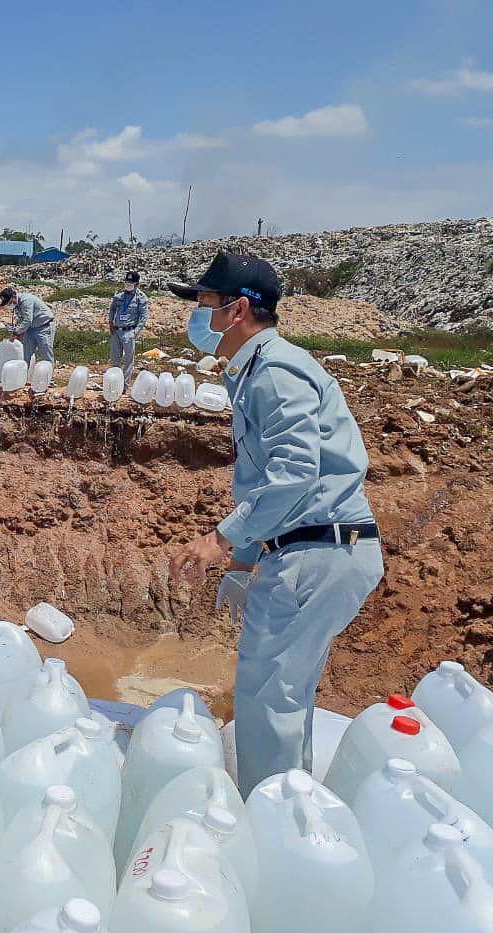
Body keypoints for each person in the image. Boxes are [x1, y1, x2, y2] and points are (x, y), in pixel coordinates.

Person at [165, 250, 383, 797]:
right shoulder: (255, 371)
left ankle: (271, 818)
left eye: (205, 303)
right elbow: (273, 481)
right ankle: (289, 803)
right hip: (315, 549)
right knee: (284, 693)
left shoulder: (276, 372)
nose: (197, 315)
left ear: (238, 310)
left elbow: (293, 475)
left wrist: (220, 540)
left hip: (318, 550)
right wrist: (245, 561)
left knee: (268, 696)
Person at [107, 269, 148, 381]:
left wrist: (136, 331)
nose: (127, 285)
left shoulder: (141, 298)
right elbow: (112, 309)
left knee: (128, 360)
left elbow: (143, 317)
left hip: (129, 331)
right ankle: (114, 382)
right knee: (115, 359)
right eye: (126, 282)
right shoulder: (119, 295)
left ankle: (125, 384)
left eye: (130, 283)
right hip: (117, 331)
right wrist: (110, 322)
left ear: (137, 284)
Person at [0, 286, 56, 364]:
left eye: (9, 302)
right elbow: (21, 320)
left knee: (45, 352)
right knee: (25, 352)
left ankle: (49, 370)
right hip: (31, 328)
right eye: (7, 304)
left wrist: (17, 332)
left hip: (44, 326)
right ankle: (25, 370)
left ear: (14, 296)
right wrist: (17, 332)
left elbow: (28, 320)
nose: (9, 305)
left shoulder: (26, 300)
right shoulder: (16, 306)